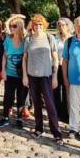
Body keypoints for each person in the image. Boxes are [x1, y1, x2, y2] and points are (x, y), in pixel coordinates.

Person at [22, 14, 63, 144]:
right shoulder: (28, 40)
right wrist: (25, 75)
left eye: (40, 24)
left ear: (44, 26)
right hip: (32, 76)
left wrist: (55, 75)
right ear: (32, 26)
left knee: (50, 105)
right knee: (36, 104)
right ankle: (39, 128)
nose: (38, 26)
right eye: (36, 24)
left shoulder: (49, 38)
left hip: (46, 76)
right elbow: (25, 59)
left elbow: (55, 58)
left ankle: (56, 132)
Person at [0, 16, 28, 128]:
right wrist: (3, 70)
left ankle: (19, 119)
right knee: (8, 96)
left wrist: (26, 75)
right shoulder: (8, 39)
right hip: (9, 73)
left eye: (14, 26)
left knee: (21, 97)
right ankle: (5, 118)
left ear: (20, 27)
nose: (11, 28)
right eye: (11, 26)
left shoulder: (26, 40)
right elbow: (4, 56)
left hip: (22, 75)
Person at [53, 18, 74, 123]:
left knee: (67, 91)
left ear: (68, 25)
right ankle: (57, 113)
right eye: (59, 25)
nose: (61, 27)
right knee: (56, 90)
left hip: (69, 67)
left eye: (63, 25)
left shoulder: (73, 39)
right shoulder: (56, 38)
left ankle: (66, 114)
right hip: (57, 66)